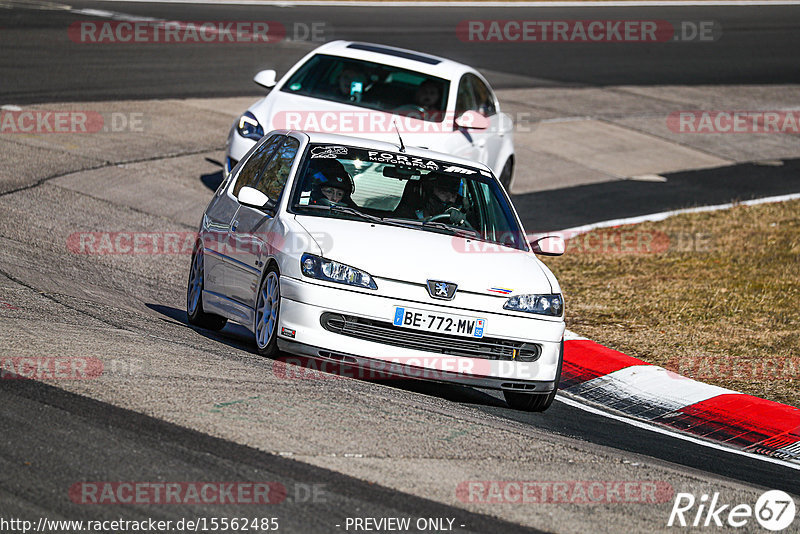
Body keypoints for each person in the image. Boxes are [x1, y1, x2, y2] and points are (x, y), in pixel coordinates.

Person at [395, 172, 465, 222]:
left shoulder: (457, 224)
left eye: (453, 195)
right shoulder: (403, 220)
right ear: (428, 193)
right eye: (443, 193)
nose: (450, 199)